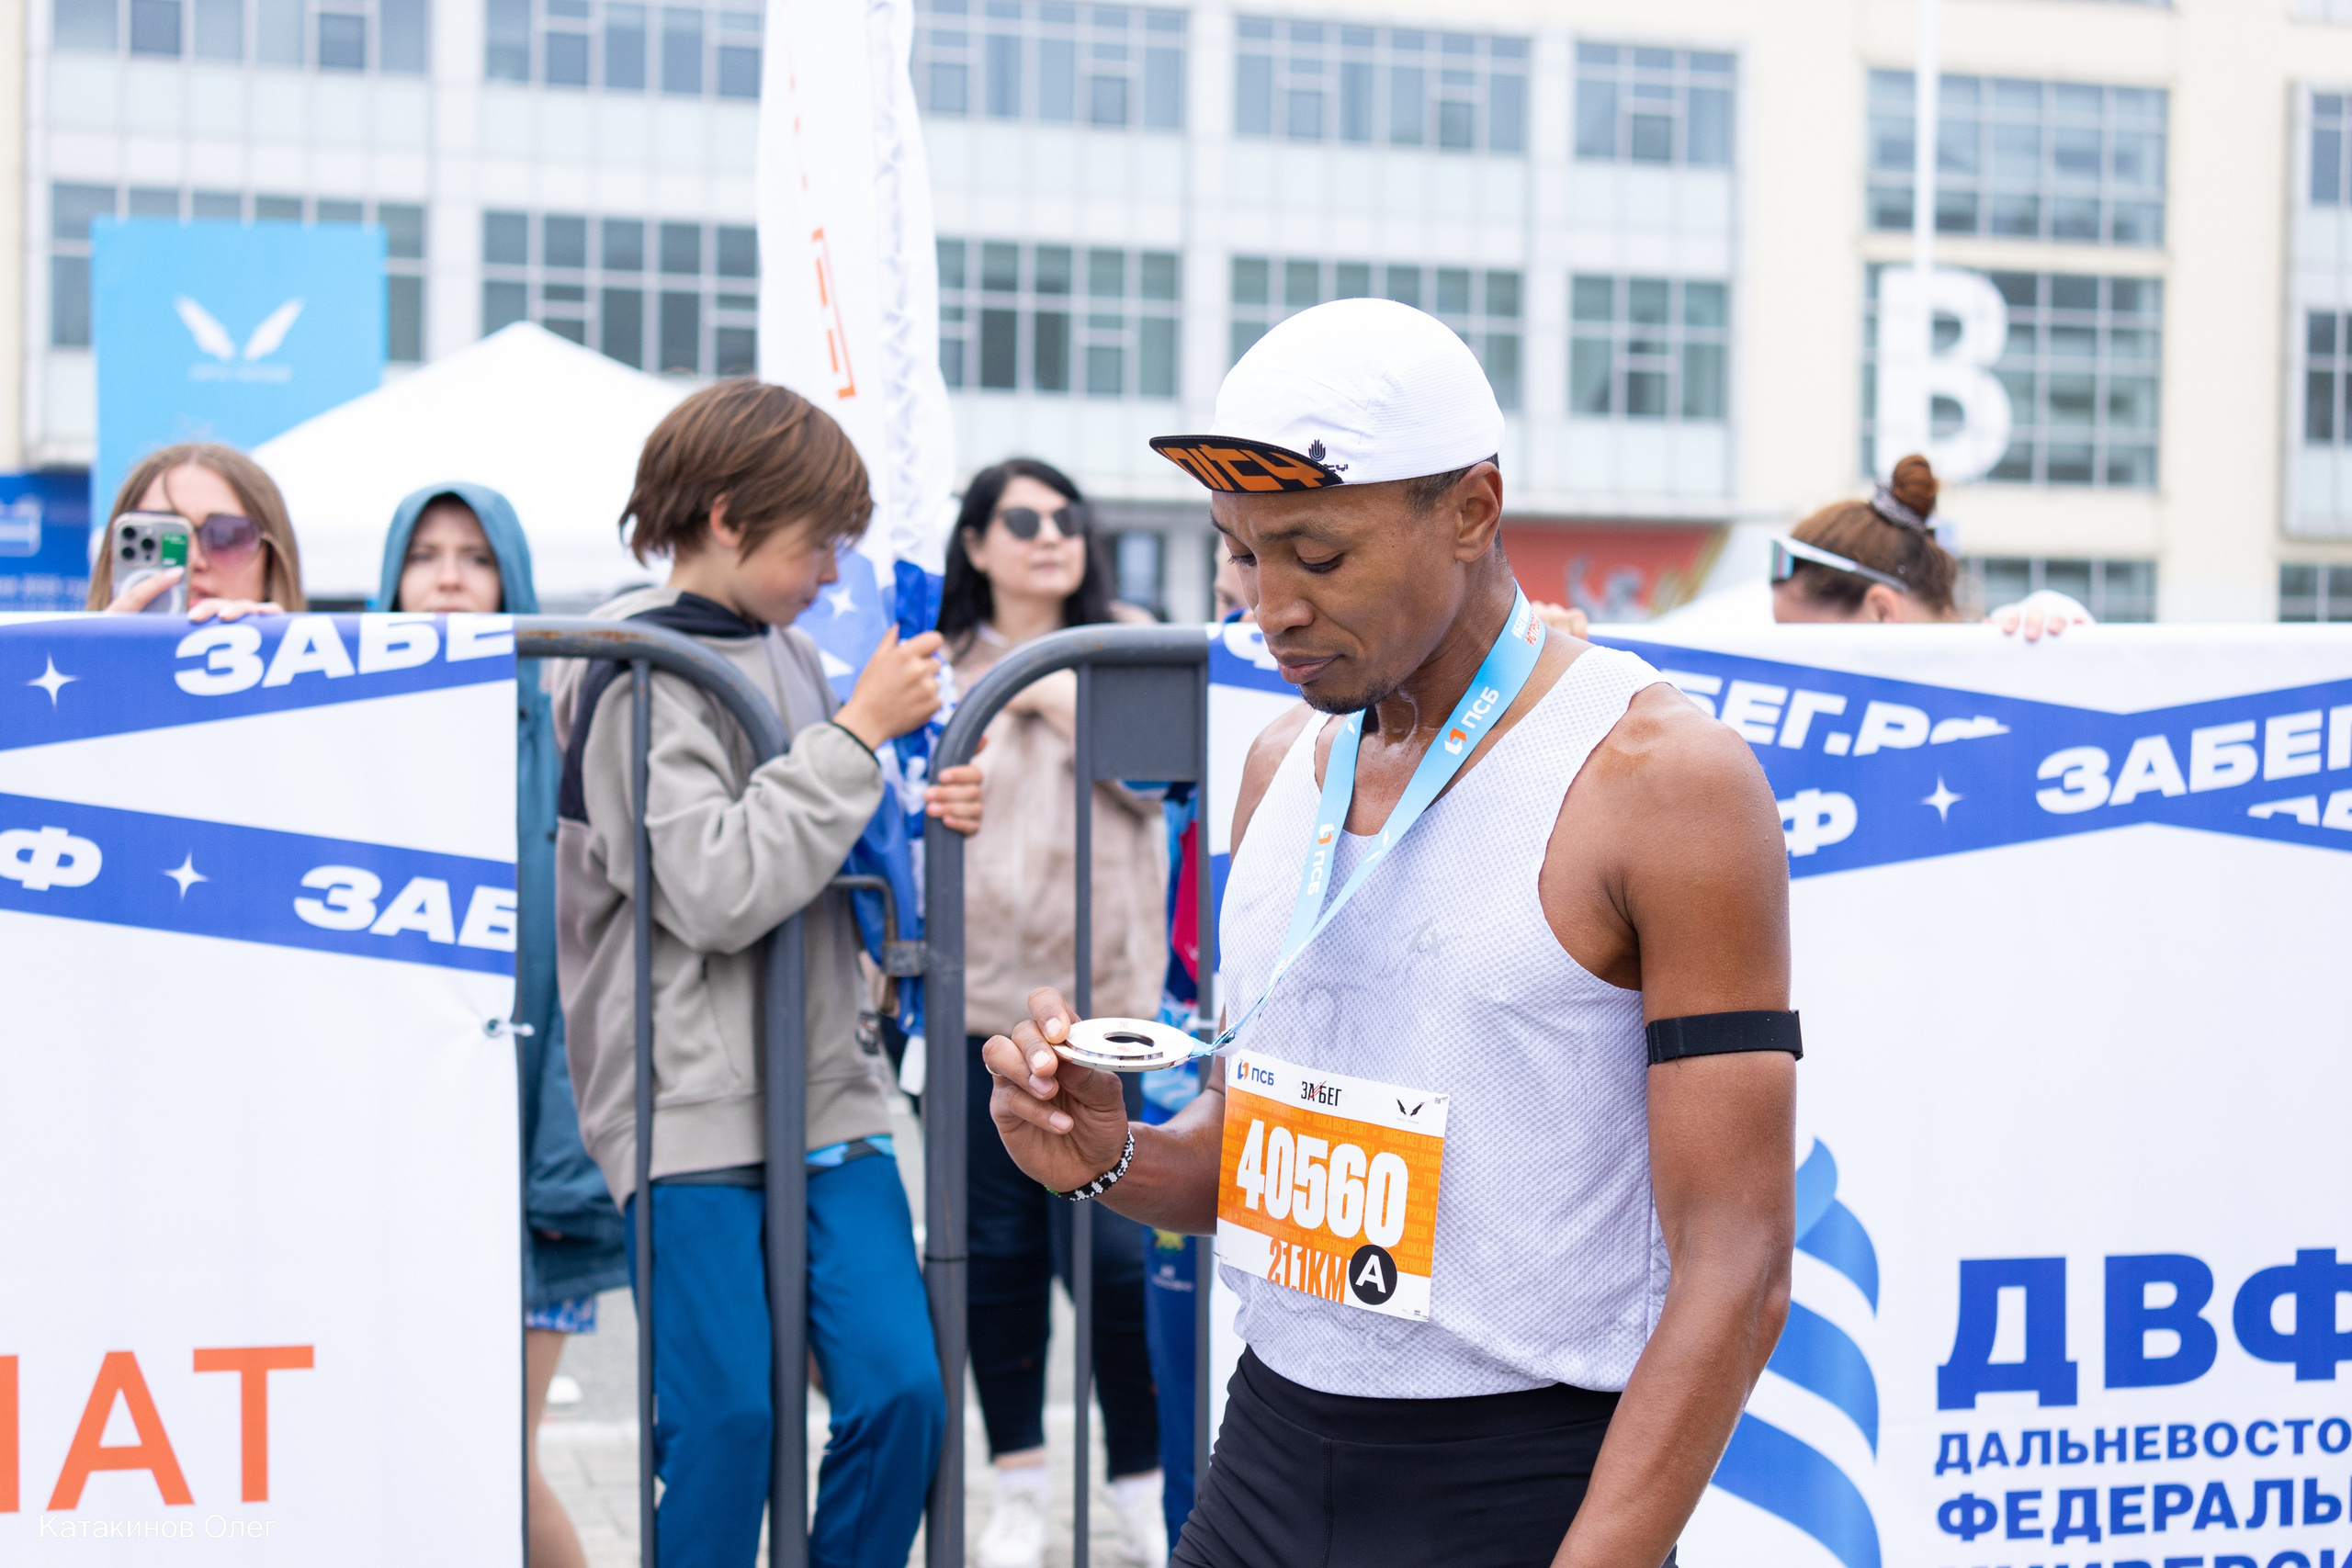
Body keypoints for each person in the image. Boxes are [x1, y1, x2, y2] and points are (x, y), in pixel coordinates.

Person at [983, 298, 1799, 1568]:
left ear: (1473, 510)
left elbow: (1738, 1264)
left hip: (1518, 1484)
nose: (1272, 608)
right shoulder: (1281, 766)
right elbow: (1265, 1160)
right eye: (1242, 556)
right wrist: (1108, 1156)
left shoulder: (1659, 778)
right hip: (1266, 1449)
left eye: (1317, 555)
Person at [553, 379, 983, 1568]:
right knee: (727, 1424)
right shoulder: (628, 666)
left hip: (828, 1087)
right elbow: (715, 883)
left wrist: (928, 809)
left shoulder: (791, 650)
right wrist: (856, 738)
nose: (832, 574)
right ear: (728, 517)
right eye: (816, 544)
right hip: (684, 1100)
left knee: (904, 1390)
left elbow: (836, 842)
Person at [378, 482, 628, 1568]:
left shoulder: (559, 724)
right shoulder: (347, 732)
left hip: (530, 1166)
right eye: (425, 554)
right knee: (406, 1458)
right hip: (392, 1156)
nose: (446, 578)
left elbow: (585, 964)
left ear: (512, 581)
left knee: (493, 1462)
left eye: (474, 558)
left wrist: (566, 1175)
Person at [939, 458, 1169, 1568]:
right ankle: (1018, 1487)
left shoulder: (1134, 642)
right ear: (975, 543)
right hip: (976, 1009)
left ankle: (1144, 1486)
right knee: (995, 1264)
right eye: (1021, 518)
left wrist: (1033, 685)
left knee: (1121, 1266)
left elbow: (1153, 781)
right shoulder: (930, 664)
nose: (1049, 535)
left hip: (1114, 1018)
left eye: (1066, 516)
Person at [1770, 454, 2091, 638]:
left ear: (1882, 612)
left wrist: (2049, 638)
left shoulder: (2016, 661)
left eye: (1798, 642)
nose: (1783, 665)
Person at [88, 442, 303, 620]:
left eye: (225, 537)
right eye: (160, 538)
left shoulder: (311, 659)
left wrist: (273, 649)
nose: (192, 560)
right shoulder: (79, 656)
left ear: (272, 564)